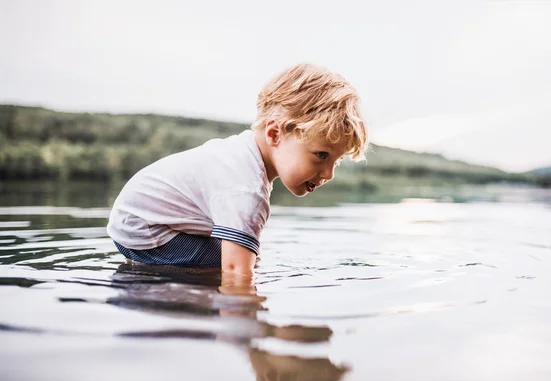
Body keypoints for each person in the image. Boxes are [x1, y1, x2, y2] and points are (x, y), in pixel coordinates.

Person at [107, 63, 368, 278]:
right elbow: (236, 273)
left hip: (138, 220)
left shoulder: (241, 156)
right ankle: (174, 292)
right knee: (236, 266)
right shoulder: (246, 187)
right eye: (321, 155)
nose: (328, 173)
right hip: (145, 229)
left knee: (246, 249)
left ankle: (151, 275)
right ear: (275, 133)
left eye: (336, 160)